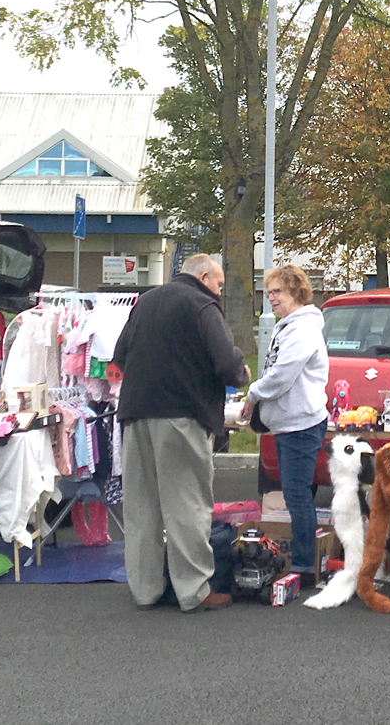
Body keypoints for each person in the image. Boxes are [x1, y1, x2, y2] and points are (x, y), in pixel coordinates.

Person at [112, 253, 250, 612]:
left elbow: (120, 354)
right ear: (204, 277)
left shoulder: (147, 301)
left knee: (142, 506)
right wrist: (242, 373)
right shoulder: (203, 306)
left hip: (135, 413)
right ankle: (194, 591)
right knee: (186, 503)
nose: (219, 292)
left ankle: (145, 589)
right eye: (218, 284)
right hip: (182, 416)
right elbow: (225, 361)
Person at [241, 265, 329, 580]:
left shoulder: (302, 330)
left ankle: (305, 566)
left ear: (295, 291)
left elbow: (281, 376)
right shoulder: (290, 326)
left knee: (297, 495)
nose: (271, 299)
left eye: (277, 292)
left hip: (301, 425)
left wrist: (253, 394)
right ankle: (305, 562)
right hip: (289, 424)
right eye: (268, 292)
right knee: (296, 494)